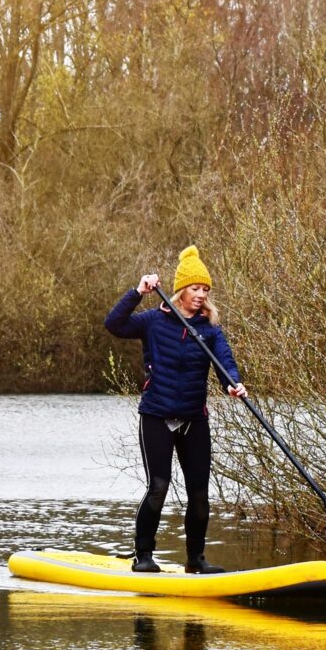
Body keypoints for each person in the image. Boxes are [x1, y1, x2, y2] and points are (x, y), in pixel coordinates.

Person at [104, 245, 248, 573]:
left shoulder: (209, 329)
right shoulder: (154, 321)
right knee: (158, 487)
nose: (200, 295)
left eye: (205, 290)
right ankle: (143, 557)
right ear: (181, 290)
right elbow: (114, 324)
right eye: (195, 289)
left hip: (194, 419)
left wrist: (233, 383)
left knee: (199, 494)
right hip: (156, 414)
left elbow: (225, 361)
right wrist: (137, 292)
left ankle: (196, 560)